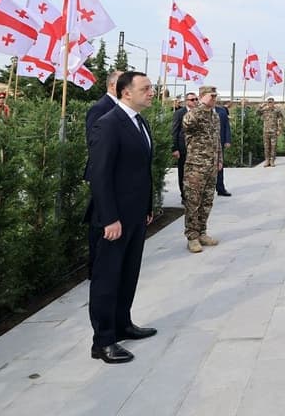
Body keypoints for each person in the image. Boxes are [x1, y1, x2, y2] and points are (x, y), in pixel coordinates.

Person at [84, 71, 157, 364]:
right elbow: (99, 176)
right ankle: (103, 341)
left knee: (128, 274)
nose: (152, 92)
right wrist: (110, 218)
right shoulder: (109, 124)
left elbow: (142, 172)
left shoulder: (140, 122)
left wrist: (147, 206)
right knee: (107, 279)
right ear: (126, 93)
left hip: (136, 214)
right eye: (146, 88)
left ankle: (122, 324)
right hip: (113, 219)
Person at [181, 86, 223, 253]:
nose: (214, 99)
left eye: (215, 96)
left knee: (206, 202)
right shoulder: (194, 114)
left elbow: (216, 139)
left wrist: (219, 159)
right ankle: (192, 237)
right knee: (193, 202)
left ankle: (202, 232)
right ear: (202, 97)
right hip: (195, 167)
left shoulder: (215, 116)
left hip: (211, 166)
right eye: (211, 97)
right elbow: (186, 122)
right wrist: (201, 105)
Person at [172, 92, 196, 203]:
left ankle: (193, 194)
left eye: (196, 99)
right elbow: (174, 131)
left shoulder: (199, 113)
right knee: (183, 173)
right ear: (187, 101)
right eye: (192, 100)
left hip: (196, 149)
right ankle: (184, 195)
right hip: (183, 149)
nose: (195, 101)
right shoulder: (179, 113)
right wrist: (175, 148)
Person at [212, 91, 232, 197]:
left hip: (219, 143)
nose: (214, 100)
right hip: (205, 145)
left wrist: (228, 140)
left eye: (215, 98)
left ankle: (220, 188)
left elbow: (226, 126)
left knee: (219, 166)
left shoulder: (222, 111)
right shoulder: (201, 111)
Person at [259, 98, 283, 166]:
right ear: (267, 103)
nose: (270, 104)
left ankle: (272, 160)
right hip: (266, 131)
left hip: (274, 131)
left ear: (273, 103)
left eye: (271, 102)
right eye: (269, 102)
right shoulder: (264, 110)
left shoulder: (277, 111)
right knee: (266, 147)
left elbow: (280, 120)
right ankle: (267, 160)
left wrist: (279, 130)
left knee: (273, 147)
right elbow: (257, 113)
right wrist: (260, 107)